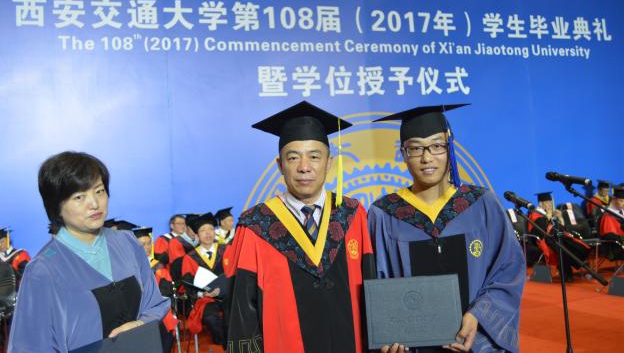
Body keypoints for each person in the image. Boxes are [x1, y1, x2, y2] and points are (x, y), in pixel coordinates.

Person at [367, 104, 525, 353]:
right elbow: (376, 282)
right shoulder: (384, 213)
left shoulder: (481, 203)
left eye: (436, 146)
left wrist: (478, 316)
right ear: (403, 154)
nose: (427, 158)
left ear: (449, 148)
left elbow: (508, 268)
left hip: (475, 342)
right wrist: (389, 333)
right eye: (416, 148)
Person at [225, 101, 375, 353]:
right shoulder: (256, 225)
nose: (304, 167)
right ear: (280, 165)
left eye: (314, 156)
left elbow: (371, 290)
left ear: (329, 162)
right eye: (293, 157)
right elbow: (241, 313)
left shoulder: (352, 214)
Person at [8, 151, 170, 352]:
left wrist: (140, 324)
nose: (94, 204)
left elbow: (154, 304)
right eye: (79, 197)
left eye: (99, 191)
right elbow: (30, 346)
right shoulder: (44, 269)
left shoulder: (127, 242)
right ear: (56, 206)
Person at [181, 213, 227, 345]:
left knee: (236, 314)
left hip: (229, 296)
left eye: (211, 229)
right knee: (211, 318)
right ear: (196, 235)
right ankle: (224, 344)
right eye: (203, 230)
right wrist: (202, 294)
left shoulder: (226, 250)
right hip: (207, 299)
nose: (208, 233)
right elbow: (188, 285)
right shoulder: (190, 258)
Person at [133, 226, 179, 353]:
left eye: (149, 243)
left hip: (158, 308)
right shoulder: (129, 268)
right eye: (142, 244)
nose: (147, 247)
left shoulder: (159, 265)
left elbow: (167, 291)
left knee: (162, 325)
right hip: (138, 311)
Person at [530, 192, 590, 282]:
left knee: (574, 244)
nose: (550, 205)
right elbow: (541, 231)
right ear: (541, 204)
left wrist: (561, 219)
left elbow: (561, 228)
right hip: (544, 240)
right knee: (562, 247)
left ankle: (576, 265)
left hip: (556, 238)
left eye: (551, 202)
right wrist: (548, 218)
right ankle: (568, 271)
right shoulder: (535, 214)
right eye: (547, 202)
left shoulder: (549, 213)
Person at [598, 185, 624, 260]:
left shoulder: (622, 212)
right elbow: (610, 236)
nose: (623, 204)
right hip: (616, 249)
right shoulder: (608, 216)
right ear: (614, 200)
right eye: (621, 201)